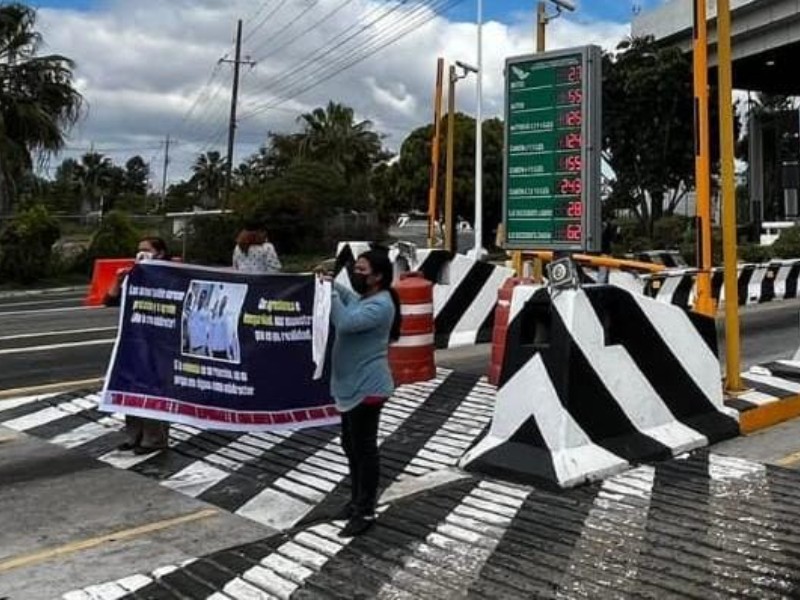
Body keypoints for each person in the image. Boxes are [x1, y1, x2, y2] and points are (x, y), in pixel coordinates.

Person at [327, 249, 401, 537]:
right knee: (350, 445)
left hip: (368, 387)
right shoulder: (367, 298)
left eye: (361, 270)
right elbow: (349, 298)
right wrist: (329, 284)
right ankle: (356, 500)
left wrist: (330, 295)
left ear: (378, 276)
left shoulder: (380, 306)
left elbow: (344, 322)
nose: (356, 274)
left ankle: (366, 510)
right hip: (351, 386)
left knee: (364, 449)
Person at [103, 236, 171, 454]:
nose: (141, 253)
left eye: (146, 250)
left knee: (152, 390)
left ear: (159, 253)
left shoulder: (170, 275)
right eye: (139, 250)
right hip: (134, 341)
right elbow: (110, 300)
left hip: (159, 342)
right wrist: (119, 278)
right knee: (130, 387)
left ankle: (154, 439)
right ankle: (134, 435)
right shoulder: (135, 274)